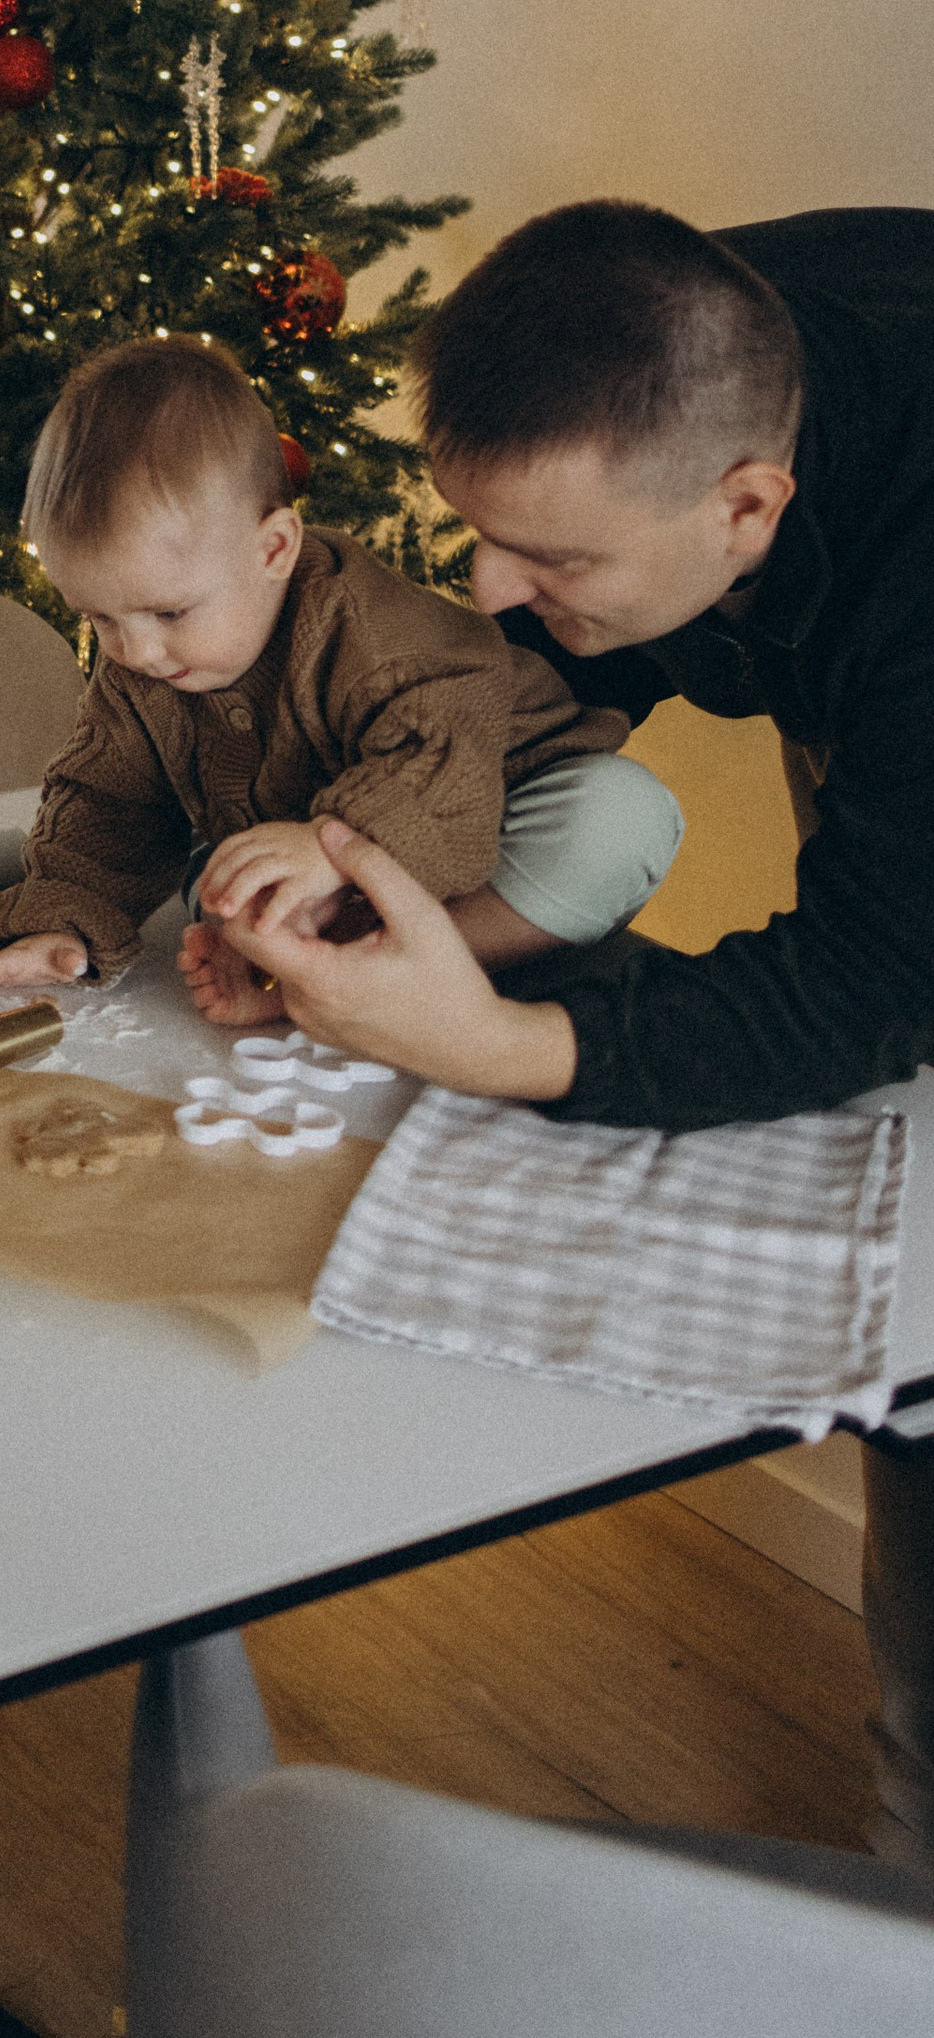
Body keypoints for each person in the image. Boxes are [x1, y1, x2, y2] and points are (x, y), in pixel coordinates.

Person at [211, 201, 934, 1867]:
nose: (491, 583)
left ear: (752, 503)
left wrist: (498, 1044)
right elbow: (510, 684)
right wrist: (367, 861)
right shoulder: (654, 358)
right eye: (478, 528)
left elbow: (865, 976)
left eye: (554, 559)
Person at [0, 334, 683, 1027]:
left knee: (622, 817)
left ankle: (362, 978)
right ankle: (299, 957)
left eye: (168, 611)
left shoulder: (371, 627)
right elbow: (105, 802)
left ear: (274, 550)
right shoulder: (142, 667)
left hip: (495, 812)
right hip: (322, 867)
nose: (138, 650)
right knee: (221, 879)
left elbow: (442, 751)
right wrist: (61, 923)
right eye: (98, 618)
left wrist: (329, 848)